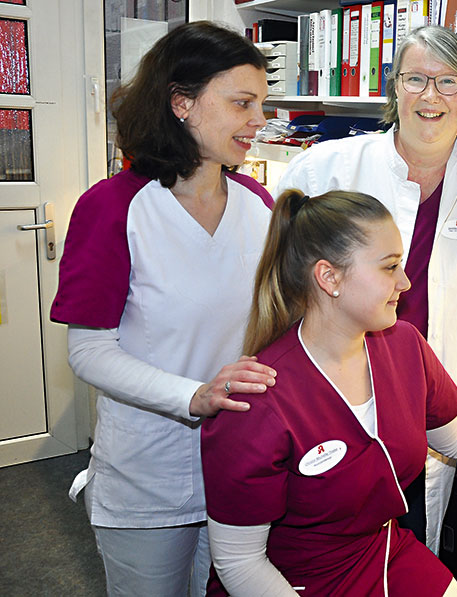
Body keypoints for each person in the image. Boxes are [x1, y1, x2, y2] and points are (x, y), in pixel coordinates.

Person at [201, 189, 457, 597]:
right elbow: (239, 564)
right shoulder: (257, 399)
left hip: (380, 551)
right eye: (389, 267)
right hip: (292, 579)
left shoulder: (403, 345)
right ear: (329, 277)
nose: (406, 282)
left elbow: (456, 437)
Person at [274, 25, 457, 551]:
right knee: (324, 533)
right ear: (394, 88)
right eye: (415, 79)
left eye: (447, 81)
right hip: (334, 385)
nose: (430, 96)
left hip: (430, 390)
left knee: (413, 537)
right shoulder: (329, 166)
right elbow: (280, 279)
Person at [49, 21, 276, 596]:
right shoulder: (114, 206)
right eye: (242, 103)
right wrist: (191, 396)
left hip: (240, 465)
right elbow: (90, 350)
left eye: (262, 104)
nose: (258, 120)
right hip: (151, 471)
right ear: (182, 102)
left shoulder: (260, 206)